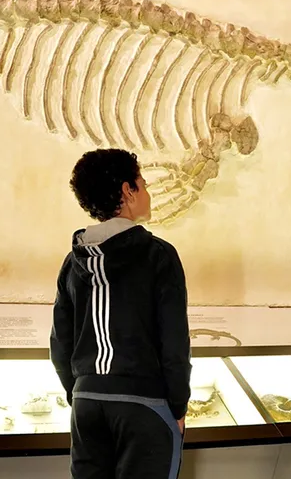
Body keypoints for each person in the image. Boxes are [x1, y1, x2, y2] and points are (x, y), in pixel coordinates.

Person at [49, 148, 192, 479]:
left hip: (85, 402)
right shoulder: (158, 255)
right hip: (144, 404)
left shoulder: (73, 263)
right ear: (128, 190)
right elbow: (174, 341)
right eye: (142, 181)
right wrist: (178, 406)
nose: (147, 190)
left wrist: (80, 391)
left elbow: (60, 343)